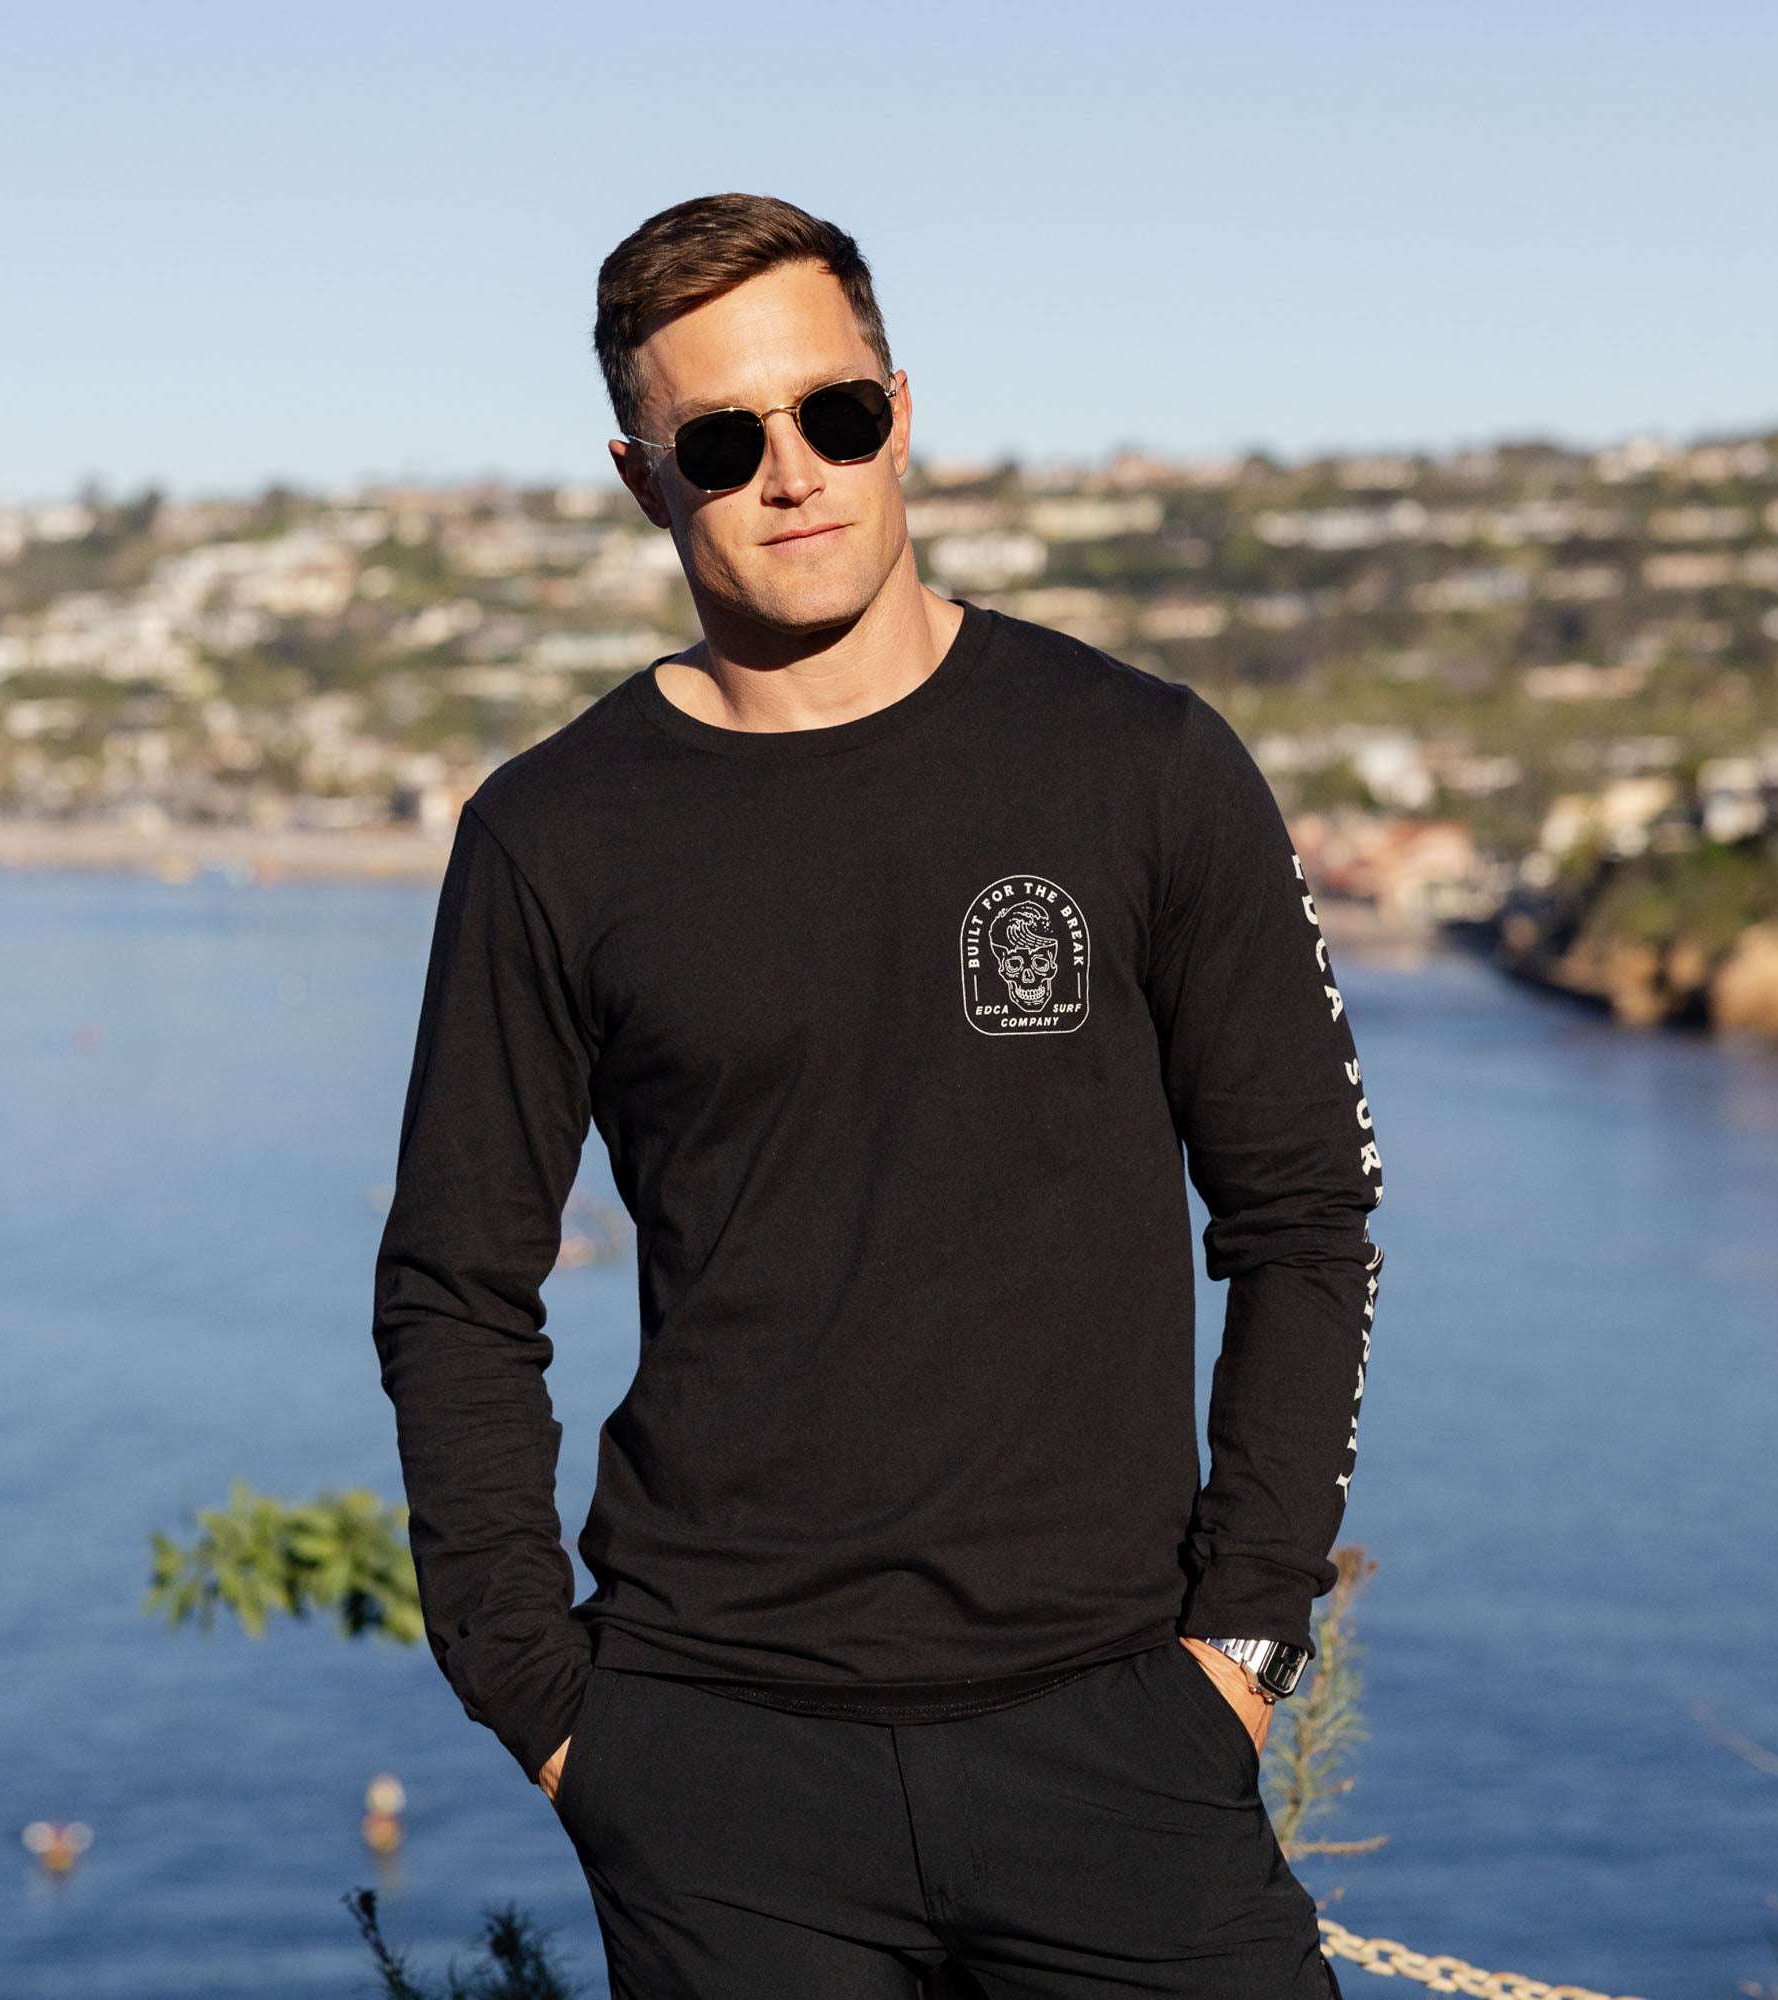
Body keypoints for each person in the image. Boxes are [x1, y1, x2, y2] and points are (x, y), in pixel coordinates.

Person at [372, 191, 1383, 1999]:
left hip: (1122, 1739)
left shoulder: (1139, 762)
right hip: (718, 1772)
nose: (793, 472)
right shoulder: (552, 836)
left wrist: (1245, 1638)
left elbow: (1307, 1211)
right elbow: (456, 1288)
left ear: (900, 410)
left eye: (833, 413)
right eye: (723, 439)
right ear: (643, 477)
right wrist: (544, 1701)